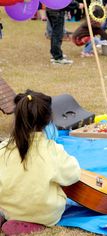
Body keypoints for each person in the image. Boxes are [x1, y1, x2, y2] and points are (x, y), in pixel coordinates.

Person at [0, 90, 80, 235]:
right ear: (48, 120)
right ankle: (32, 222)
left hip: (8, 208)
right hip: (45, 214)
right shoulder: (53, 150)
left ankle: (11, 217)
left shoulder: (3, 148)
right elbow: (73, 175)